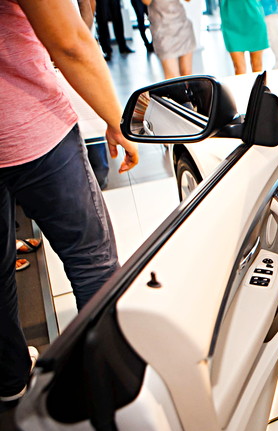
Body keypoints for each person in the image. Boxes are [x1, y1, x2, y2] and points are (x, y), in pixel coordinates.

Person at [0, 0, 138, 404]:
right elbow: (70, 42)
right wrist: (117, 120)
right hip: (29, 128)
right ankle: (111, 387)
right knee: (91, 260)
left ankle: (9, 378)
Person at [142, 0, 196, 79]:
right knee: (173, 78)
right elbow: (146, 1)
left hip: (182, 24)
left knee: (187, 74)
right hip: (163, 31)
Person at [220, 0, 269, 74]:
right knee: (239, 68)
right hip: (231, 21)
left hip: (254, 19)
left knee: (257, 67)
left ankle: (258, 82)